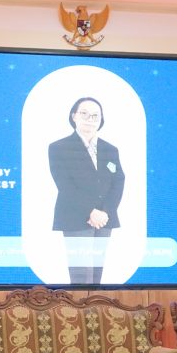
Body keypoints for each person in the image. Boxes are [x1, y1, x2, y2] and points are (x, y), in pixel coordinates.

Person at [48, 97, 125, 285]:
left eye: (95, 115)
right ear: (74, 116)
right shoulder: (59, 147)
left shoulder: (110, 149)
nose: (90, 119)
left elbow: (118, 180)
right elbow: (65, 185)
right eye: (84, 113)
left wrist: (105, 212)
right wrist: (91, 211)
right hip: (75, 217)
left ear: (101, 119)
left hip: (104, 219)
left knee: (97, 276)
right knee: (81, 277)